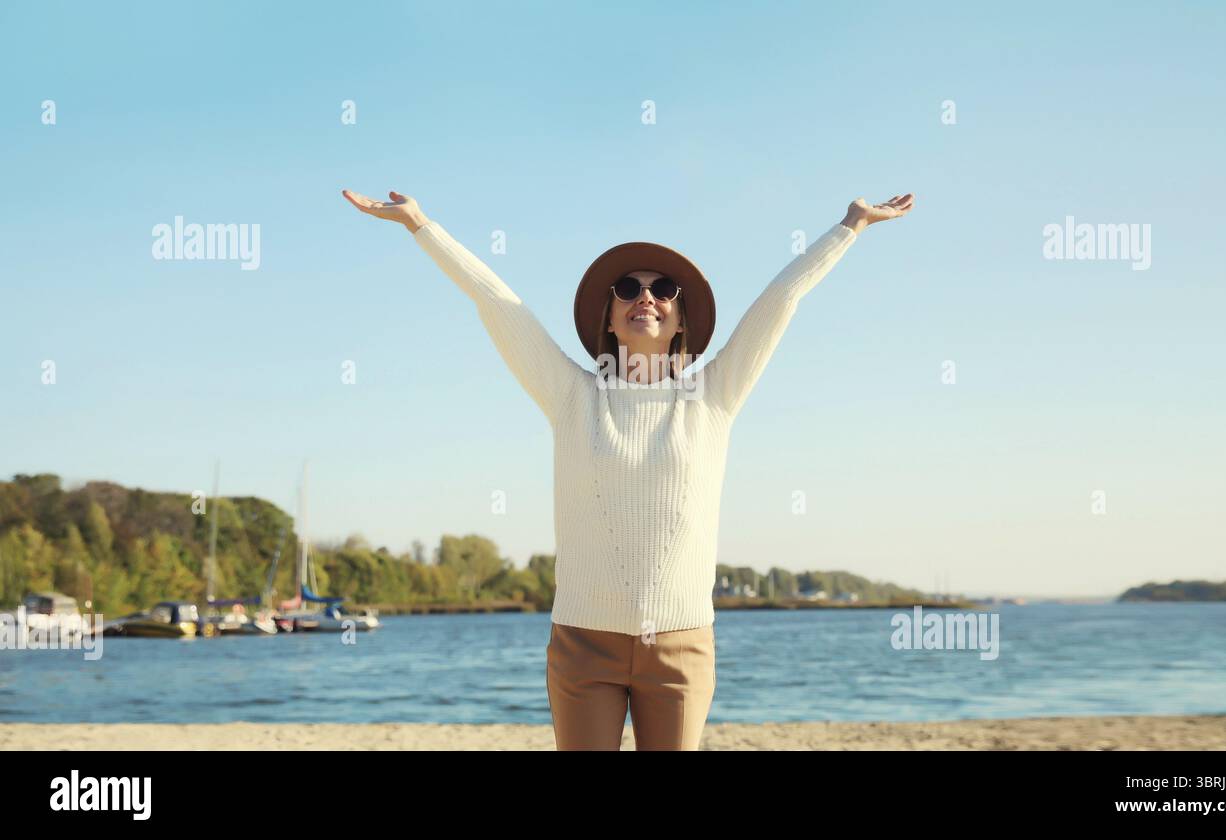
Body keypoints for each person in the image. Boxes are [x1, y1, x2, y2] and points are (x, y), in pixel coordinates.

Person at [342, 187, 914, 749]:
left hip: (682, 645)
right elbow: (496, 302)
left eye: (662, 290)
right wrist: (421, 225)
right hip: (583, 643)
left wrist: (850, 226)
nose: (646, 297)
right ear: (610, 320)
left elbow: (780, 301)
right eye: (627, 289)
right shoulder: (572, 396)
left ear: (681, 320)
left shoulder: (714, 396)